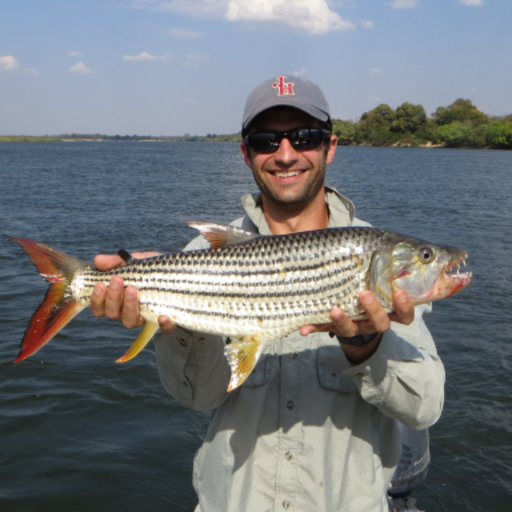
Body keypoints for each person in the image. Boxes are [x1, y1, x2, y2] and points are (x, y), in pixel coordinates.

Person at [91, 75, 444, 511]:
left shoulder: (376, 254)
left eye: (304, 137)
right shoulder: (203, 253)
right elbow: (194, 398)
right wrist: (180, 319)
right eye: (265, 140)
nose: (286, 154)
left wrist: (368, 346)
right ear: (246, 153)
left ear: (330, 147)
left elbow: (424, 407)